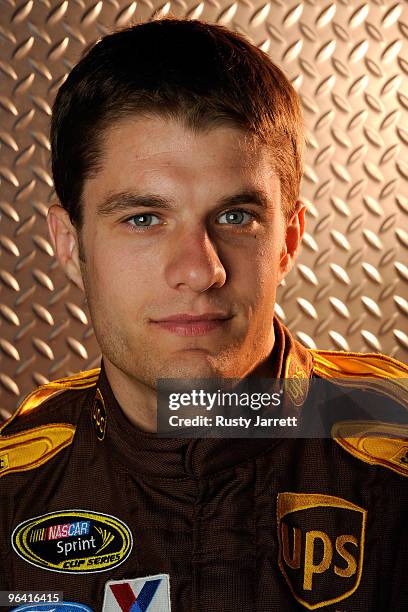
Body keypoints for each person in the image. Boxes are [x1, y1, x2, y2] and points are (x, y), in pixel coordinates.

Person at [0, 18, 407, 612]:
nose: (199, 269)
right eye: (143, 218)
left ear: (289, 240)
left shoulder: (395, 450)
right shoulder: (15, 488)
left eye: (236, 217)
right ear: (69, 244)